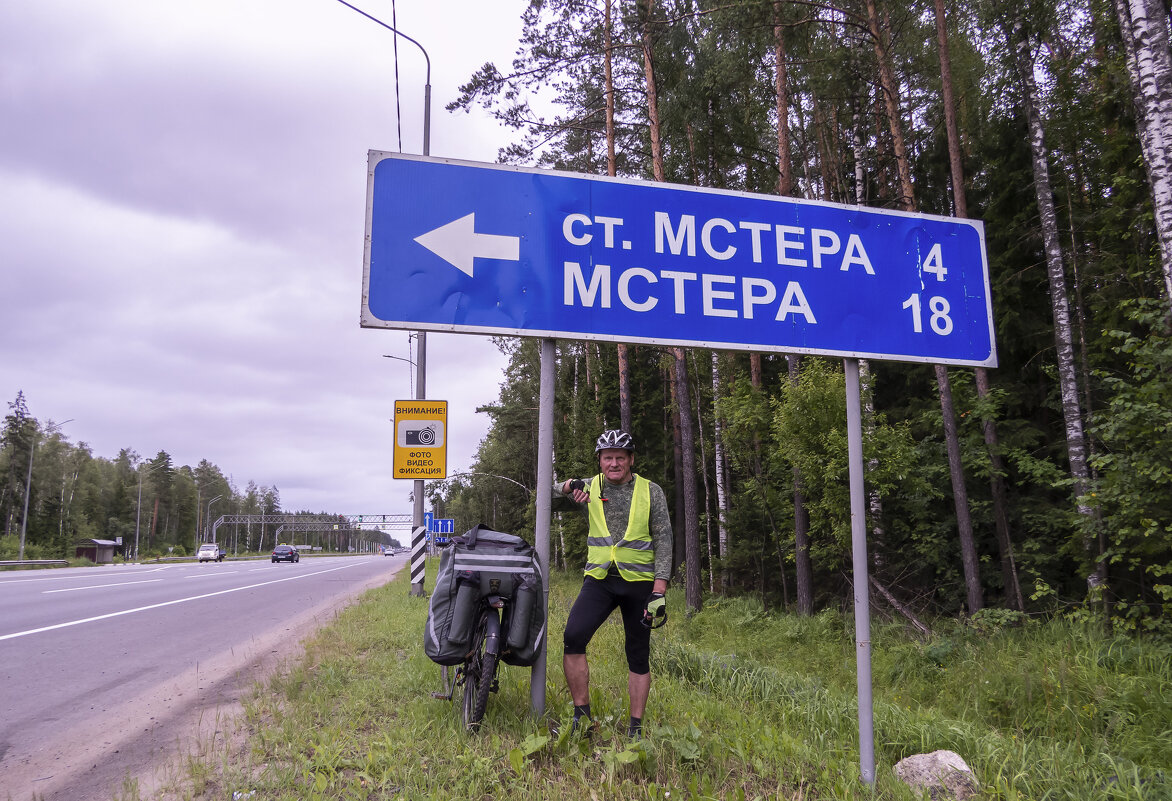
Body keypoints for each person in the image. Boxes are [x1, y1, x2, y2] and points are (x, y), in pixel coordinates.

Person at [553, 429, 672, 739]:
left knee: (637, 653)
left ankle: (635, 729)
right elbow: (546, 499)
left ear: (631, 459)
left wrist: (659, 591)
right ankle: (582, 718)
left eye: (621, 457)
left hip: (640, 583)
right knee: (573, 637)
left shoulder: (651, 491)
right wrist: (568, 485)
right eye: (608, 458)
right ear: (600, 461)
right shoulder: (588, 488)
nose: (614, 463)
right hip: (600, 580)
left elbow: (664, 540)